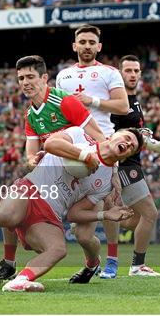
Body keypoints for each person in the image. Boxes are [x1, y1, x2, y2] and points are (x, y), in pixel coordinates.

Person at [0, 126, 143, 292]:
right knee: (6, 216)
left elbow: (74, 215)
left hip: (50, 212)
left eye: (132, 146)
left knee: (58, 249)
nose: (128, 143)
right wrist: (84, 156)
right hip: (31, 187)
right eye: (126, 137)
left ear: (128, 155)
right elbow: (51, 143)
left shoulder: (105, 181)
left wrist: (106, 214)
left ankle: (20, 281)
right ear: (113, 136)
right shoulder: (80, 135)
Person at [0, 55, 106, 284]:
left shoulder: (66, 102)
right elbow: (30, 155)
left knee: (83, 236)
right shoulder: (31, 114)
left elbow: (99, 136)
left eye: (30, 76)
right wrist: (35, 159)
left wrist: (97, 167)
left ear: (44, 78)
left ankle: (92, 264)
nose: (25, 82)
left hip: (86, 179)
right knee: (13, 198)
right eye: (21, 78)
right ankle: (8, 263)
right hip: (56, 181)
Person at [56, 24, 129, 279]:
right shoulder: (63, 76)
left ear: (99, 47)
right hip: (73, 145)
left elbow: (123, 106)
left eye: (91, 42)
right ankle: (87, 258)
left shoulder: (109, 73)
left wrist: (93, 101)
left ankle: (112, 260)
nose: (87, 46)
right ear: (74, 46)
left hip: (104, 144)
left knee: (110, 201)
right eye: (82, 42)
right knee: (79, 227)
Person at [111, 55, 160, 276]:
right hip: (125, 165)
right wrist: (148, 142)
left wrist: (150, 139)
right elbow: (114, 135)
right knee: (150, 213)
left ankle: (104, 216)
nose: (133, 75)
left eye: (136, 71)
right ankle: (137, 266)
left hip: (133, 163)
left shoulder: (134, 100)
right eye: (128, 70)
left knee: (138, 220)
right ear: (120, 74)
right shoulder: (117, 103)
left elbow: (138, 130)